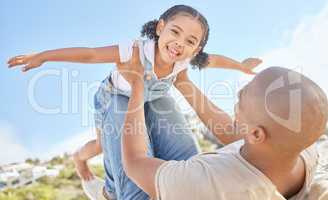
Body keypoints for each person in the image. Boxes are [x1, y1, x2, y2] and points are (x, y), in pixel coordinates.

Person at [7, 5, 261, 199]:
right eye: (175, 32)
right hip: (115, 95)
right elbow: (91, 54)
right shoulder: (135, 50)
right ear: (160, 28)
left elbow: (216, 60)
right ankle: (80, 159)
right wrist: (43, 56)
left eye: (190, 42)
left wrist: (241, 66)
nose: (179, 44)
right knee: (101, 144)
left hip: (153, 96)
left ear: (195, 50)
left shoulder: (183, 62)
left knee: (160, 128)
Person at [121, 46, 328, 200]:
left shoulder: (214, 184)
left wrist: (137, 85)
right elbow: (233, 133)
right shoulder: (300, 148)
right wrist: (183, 83)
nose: (238, 93)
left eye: (243, 96)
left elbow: (135, 163)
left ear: (257, 134)